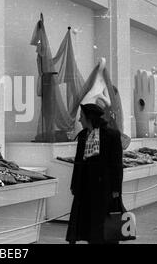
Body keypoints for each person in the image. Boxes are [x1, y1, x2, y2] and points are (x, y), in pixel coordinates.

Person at [66, 103, 124, 244]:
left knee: (105, 223)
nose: (79, 120)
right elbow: (78, 163)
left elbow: (116, 165)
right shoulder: (83, 136)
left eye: (81, 117)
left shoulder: (111, 135)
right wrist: (74, 185)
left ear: (89, 118)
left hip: (105, 188)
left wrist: (116, 189)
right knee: (87, 223)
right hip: (85, 188)